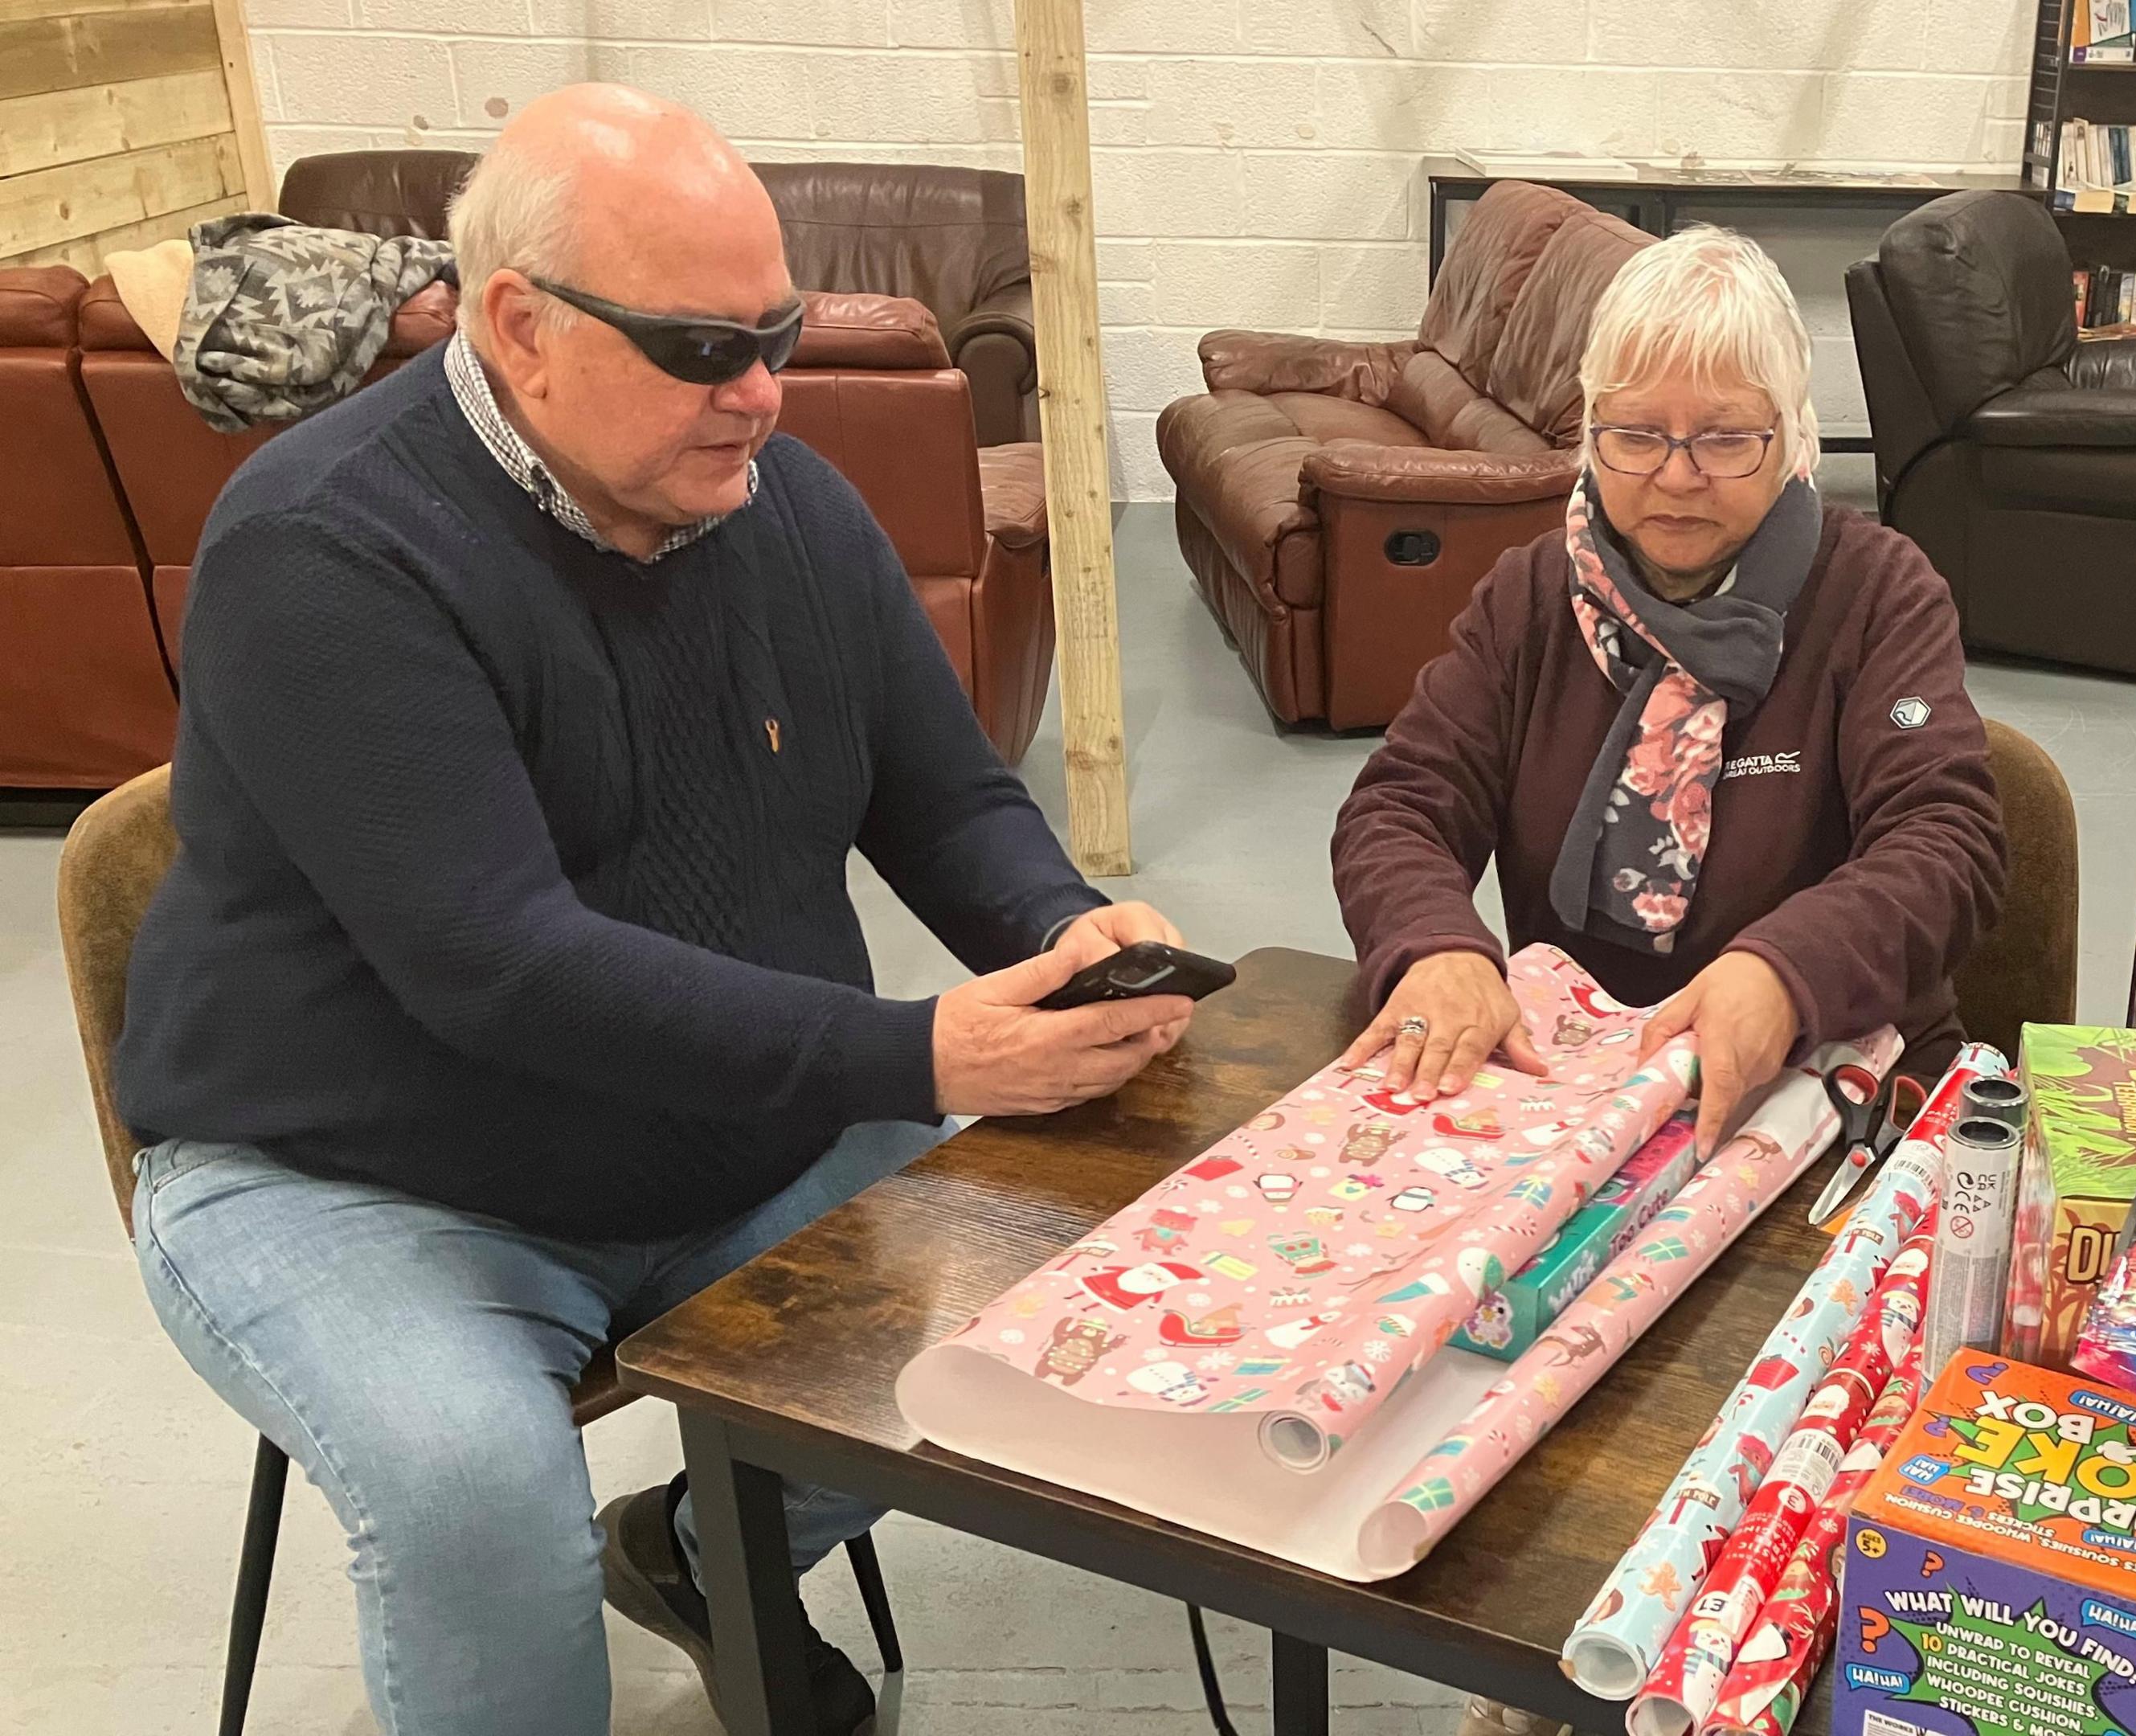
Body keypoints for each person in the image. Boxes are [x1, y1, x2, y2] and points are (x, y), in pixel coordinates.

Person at [113, 86, 1185, 1736]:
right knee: (476, 1498)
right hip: (360, 1179)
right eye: (700, 348)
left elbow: (949, 799)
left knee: (1055, 1308)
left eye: (777, 334)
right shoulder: (327, 551)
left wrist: (1062, 935)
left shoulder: (792, 511)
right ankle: (688, 1557)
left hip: (715, 1137)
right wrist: (918, 1055)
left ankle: (698, 1556)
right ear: (520, 327)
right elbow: (498, 968)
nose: (758, 393)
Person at [1332, 222, 2008, 1153]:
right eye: (1637, 434)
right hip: (1582, 1082)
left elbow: (1948, 842)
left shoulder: (1878, 593)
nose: (1677, 477)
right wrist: (1435, 944)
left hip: (1836, 1084)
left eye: (1726, 438)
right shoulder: (1531, 595)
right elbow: (1401, 807)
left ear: (1790, 434)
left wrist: (1785, 973)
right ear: (1589, 429)